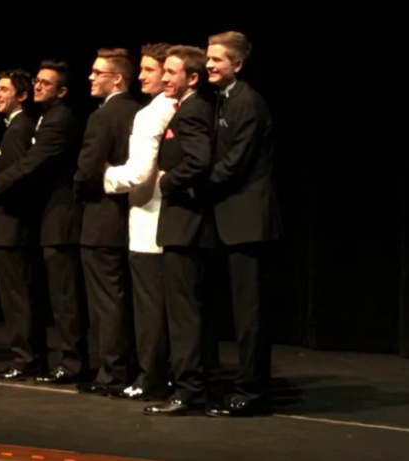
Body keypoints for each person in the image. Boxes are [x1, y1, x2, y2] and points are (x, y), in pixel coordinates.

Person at [0, 60, 83, 381]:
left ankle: (43, 360)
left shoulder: (32, 125)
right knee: (41, 297)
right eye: (37, 80)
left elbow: (29, 167)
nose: (40, 86)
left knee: (38, 298)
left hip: (34, 221)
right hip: (39, 222)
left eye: (46, 82)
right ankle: (40, 359)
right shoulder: (39, 120)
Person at [203, 31, 281, 417]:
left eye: (217, 59)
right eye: (208, 58)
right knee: (236, 311)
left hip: (248, 221)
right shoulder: (222, 100)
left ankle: (252, 391)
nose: (210, 65)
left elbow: (234, 164)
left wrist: (190, 185)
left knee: (250, 313)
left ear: (237, 64)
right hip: (229, 219)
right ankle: (238, 384)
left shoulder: (248, 102)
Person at [143, 45, 217, 416]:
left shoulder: (191, 111)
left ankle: (189, 391)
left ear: (193, 77)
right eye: (165, 71)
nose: (165, 77)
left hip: (186, 226)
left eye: (172, 72)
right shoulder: (190, 108)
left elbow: (199, 160)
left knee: (184, 314)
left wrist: (167, 180)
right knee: (190, 312)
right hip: (185, 226)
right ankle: (194, 386)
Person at [103, 43, 177, 401]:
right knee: (165, 307)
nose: (143, 76)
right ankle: (165, 375)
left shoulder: (152, 113)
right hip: (172, 223)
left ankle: (151, 378)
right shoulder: (182, 106)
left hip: (150, 222)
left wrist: (104, 176)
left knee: (150, 309)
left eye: (149, 69)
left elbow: (139, 173)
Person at [71, 48, 142, 391]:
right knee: (123, 298)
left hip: (101, 218)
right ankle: (127, 366)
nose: (90, 77)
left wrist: (79, 190)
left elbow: (87, 170)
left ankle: (112, 373)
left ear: (117, 78)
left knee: (107, 300)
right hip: (131, 217)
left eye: (97, 72)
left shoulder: (103, 116)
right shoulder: (139, 110)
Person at [0, 69, 41, 380]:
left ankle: (25, 358)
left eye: (4, 88)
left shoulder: (18, 129)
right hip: (12, 227)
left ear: (22, 95)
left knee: (17, 298)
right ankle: (29, 355)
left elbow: (21, 176)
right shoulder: (16, 127)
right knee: (20, 296)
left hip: (13, 227)